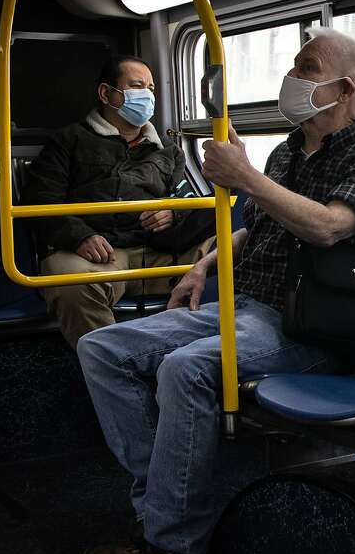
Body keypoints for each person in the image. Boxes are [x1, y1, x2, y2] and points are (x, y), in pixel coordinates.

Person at [76, 28, 355, 554]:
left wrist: (244, 177)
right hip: (246, 303)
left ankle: (170, 547)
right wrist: (202, 266)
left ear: (344, 89)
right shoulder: (287, 150)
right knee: (102, 348)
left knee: (187, 368)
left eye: (306, 67)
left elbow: (327, 227)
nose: (292, 77)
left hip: (312, 329)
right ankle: (161, 503)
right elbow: (256, 227)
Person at [22, 55, 213, 347]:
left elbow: (187, 200)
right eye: (137, 86)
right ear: (106, 93)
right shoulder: (70, 141)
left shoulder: (168, 151)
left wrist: (173, 214)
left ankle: (208, 358)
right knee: (71, 282)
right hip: (101, 254)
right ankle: (115, 367)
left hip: (160, 250)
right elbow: (39, 201)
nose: (147, 96)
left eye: (150, 89)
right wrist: (80, 236)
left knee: (232, 252)